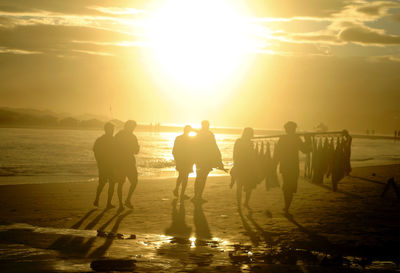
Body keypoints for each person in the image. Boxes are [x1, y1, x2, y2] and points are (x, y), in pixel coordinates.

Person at [274, 121, 311, 215]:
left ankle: (286, 207)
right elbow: (306, 150)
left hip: (286, 166)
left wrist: (274, 164)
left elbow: (277, 153)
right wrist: (308, 139)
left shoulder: (283, 138)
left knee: (287, 187)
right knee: (289, 187)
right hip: (292, 166)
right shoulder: (296, 139)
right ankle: (287, 207)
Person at [193, 120, 224, 202]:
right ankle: (198, 196)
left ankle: (197, 196)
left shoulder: (199, 134)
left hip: (199, 159)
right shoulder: (209, 134)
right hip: (205, 160)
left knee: (199, 177)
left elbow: (194, 146)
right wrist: (219, 159)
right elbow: (214, 147)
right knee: (202, 178)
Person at [114, 120, 140, 210]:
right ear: (129, 126)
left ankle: (124, 202)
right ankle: (125, 201)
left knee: (124, 183)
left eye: (134, 127)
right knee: (131, 182)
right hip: (125, 162)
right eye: (133, 127)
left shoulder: (119, 135)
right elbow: (136, 150)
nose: (133, 129)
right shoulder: (131, 136)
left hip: (122, 162)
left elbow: (113, 148)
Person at [231, 127, 260, 208]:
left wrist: (235, 164)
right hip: (244, 166)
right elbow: (250, 155)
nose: (252, 135)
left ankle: (241, 203)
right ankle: (244, 203)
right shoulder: (247, 142)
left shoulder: (241, 141)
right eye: (251, 133)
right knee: (246, 185)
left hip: (242, 166)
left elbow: (235, 154)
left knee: (241, 186)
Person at [93, 122, 115, 208]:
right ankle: (98, 199)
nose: (112, 131)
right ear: (107, 130)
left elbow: (95, 151)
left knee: (109, 184)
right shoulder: (102, 140)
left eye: (113, 129)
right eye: (111, 129)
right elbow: (96, 151)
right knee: (104, 183)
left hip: (110, 165)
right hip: (105, 165)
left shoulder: (101, 139)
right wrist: (100, 162)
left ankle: (105, 202)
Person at [172, 125, 195, 201]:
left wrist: (176, 160)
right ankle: (181, 193)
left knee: (182, 175)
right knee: (184, 176)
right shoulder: (190, 139)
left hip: (183, 160)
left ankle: (177, 190)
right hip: (186, 160)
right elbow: (175, 151)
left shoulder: (179, 138)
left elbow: (174, 151)